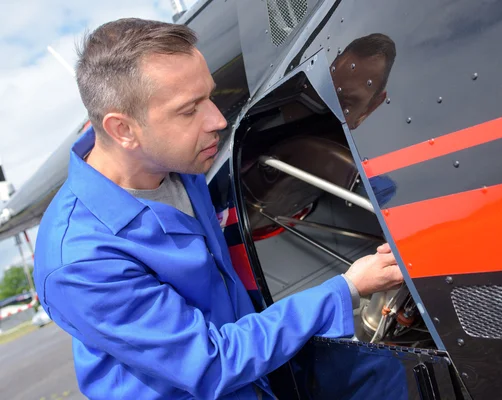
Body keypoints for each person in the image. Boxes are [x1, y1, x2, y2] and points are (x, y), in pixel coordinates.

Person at [33, 19, 404, 400]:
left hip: (255, 366)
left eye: (209, 96)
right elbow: (211, 362)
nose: (218, 121)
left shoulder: (178, 164)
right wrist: (346, 289)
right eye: (189, 110)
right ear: (123, 130)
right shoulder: (79, 262)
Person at [331, 33, 398, 206]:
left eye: (344, 105)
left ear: (367, 110)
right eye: (326, 89)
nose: (327, 108)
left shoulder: (367, 192)